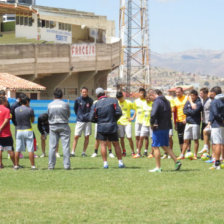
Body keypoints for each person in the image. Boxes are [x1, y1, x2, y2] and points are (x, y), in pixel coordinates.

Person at [89, 87, 125, 169]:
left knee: (103, 145)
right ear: (104, 93)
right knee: (116, 144)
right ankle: (120, 163)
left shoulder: (96, 104)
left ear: (97, 95)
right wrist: (114, 120)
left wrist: (98, 121)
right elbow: (119, 112)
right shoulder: (113, 101)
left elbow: (91, 118)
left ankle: (105, 163)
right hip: (112, 125)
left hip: (101, 127)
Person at [148, 89, 181, 172]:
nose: (150, 98)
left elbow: (153, 114)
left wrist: (152, 124)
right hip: (166, 126)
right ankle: (177, 161)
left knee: (155, 146)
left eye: (150, 96)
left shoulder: (157, 101)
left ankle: (158, 167)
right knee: (164, 145)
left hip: (158, 127)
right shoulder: (167, 101)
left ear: (153, 94)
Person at [48, 88, 71, 170]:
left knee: (52, 147)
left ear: (54, 96)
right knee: (65, 146)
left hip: (53, 126)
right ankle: (66, 166)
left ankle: (51, 165)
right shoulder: (65, 104)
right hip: (64, 125)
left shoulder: (50, 105)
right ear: (62, 95)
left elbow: (49, 115)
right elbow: (68, 114)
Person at [177, 90, 203, 160]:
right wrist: (190, 110)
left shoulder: (199, 103)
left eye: (193, 96)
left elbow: (195, 112)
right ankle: (182, 154)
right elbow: (184, 111)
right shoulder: (188, 101)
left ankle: (195, 155)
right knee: (185, 140)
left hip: (195, 123)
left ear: (196, 96)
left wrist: (190, 110)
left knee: (195, 140)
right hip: (188, 123)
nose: (192, 97)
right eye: (191, 96)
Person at [14, 96, 36, 170]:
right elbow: (32, 120)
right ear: (27, 102)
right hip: (28, 129)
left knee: (17, 149)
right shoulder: (30, 109)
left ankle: (16, 165)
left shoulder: (16, 109)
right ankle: (32, 166)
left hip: (19, 130)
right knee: (30, 149)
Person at [71, 87, 93, 157]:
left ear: (87, 92)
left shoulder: (90, 100)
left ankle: (83, 152)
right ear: (81, 92)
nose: (84, 93)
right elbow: (75, 109)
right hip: (80, 120)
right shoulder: (78, 100)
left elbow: (92, 110)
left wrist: (89, 117)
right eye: (83, 92)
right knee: (76, 136)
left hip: (88, 121)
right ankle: (72, 152)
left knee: (86, 136)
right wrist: (79, 116)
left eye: (85, 92)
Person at [207, 86, 224, 170]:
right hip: (222, 125)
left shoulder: (215, 102)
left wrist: (222, 120)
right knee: (221, 143)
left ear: (214, 93)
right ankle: (221, 159)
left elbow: (216, 114)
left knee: (217, 143)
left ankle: (217, 163)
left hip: (217, 124)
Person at [116, 91, 135, 157]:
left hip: (127, 123)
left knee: (129, 137)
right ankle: (124, 151)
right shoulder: (116, 103)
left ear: (123, 96)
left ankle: (133, 151)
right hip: (119, 123)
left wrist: (132, 117)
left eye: (121, 98)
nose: (120, 100)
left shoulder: (128, 102)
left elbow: (136, 109)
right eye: (118, 99)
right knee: (121, 138)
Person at [133, 88, 149, 158]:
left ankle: (145, 151)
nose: (141, 94)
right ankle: (138, 151)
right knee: (137, 136)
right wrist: (133, 117)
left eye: (143, 93)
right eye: (140, 92)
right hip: (137, 121)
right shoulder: (136, 101)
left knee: (145, 137)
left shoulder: (146, 101)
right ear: (139, 93)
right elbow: (136, 110)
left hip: (144, 121)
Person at [0, 96, 15, 169]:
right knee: (10, 149)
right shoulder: (6, 110)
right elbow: (6, 120)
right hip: (6, 134)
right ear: (3, 102)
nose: (7, 102)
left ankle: (0, 165)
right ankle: (15, 164)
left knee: (0, 149)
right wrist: (0, 128)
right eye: (6, 101)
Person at [11, 92, 27, 159]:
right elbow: (12, 116)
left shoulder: (21, 104)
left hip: (24, 125)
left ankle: (20, 152)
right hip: (18, 125)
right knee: (18, 139)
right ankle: (17, 153)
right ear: (20, 99)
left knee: (25, 139)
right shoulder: (14, 105)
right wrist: (16, 124)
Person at [137, 92, 153, 158]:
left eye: (149, 98)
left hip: (151, 124)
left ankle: (152, 153)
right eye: (146, 98)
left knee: (153, 139)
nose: (148, 99)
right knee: (141, 138)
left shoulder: (153, 104)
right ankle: (138, 153)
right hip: (144, 123)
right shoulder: (143, 104)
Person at [173, 87, 188, 152]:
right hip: (178, 121)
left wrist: (187, 118)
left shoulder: (186, 98)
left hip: (186, 120)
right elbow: (174, 112)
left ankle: (188, 151)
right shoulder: (175, 100)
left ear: (182, 92)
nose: (177, 93)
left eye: (179, 92)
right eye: (176, 92)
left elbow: (189, 109)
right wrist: (175, 123)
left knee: (187, 136)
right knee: (180, 137)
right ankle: (182, 151)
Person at [199, 87, 212, 154]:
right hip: (204, 122)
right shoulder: (201, 100)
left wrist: (210, 122)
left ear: (206, 94)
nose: (200, 94)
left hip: (210, 122)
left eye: (201, 93)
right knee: (205, 139)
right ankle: (208, 153)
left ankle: (214, 155)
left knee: (211, 139)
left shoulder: (210, 101)